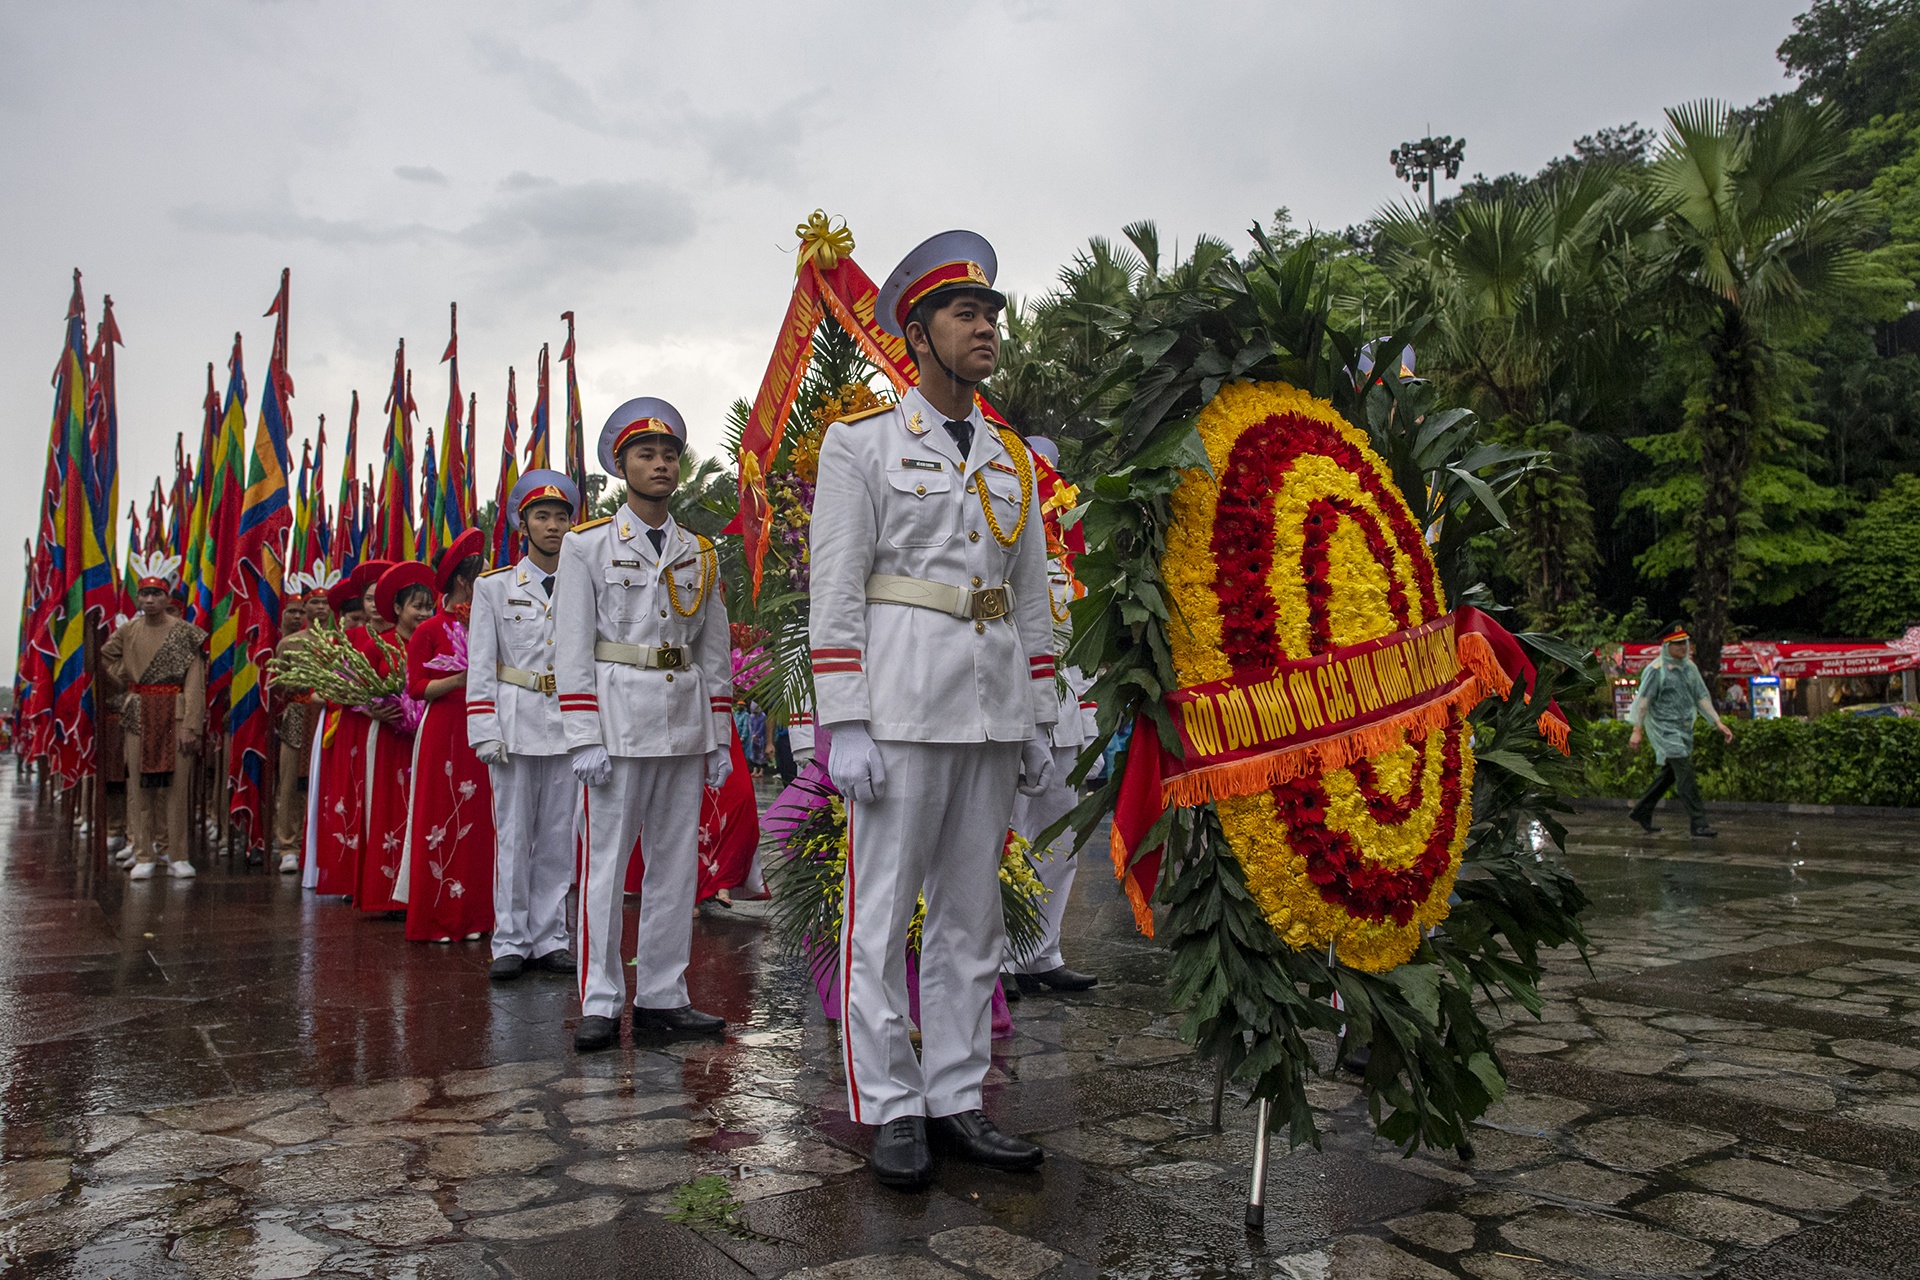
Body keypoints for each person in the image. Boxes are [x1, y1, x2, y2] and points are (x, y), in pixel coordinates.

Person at [810, 229, 1057, 1190]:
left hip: (991, 708)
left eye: (992, 312)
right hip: (902, 706)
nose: (987, 326)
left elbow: (1029, 592)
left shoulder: (1009, 458)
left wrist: (1038, 713)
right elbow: (836, 586)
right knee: (881, 915)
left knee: (971, 914)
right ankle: (890, 1103)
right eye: (967, 314)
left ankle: (955, 1093)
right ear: (918, 334)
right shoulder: (861, 445)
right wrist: (845, 719)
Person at [556, 398, 734, 1052]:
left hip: (682, 722)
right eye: (645, 455)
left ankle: (663, 994)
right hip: (616, 718)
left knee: (674, 868)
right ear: (621, 466)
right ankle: (601, 999)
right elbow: (571, 645)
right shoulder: (587, 545)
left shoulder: (701, 551)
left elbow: (713, 650)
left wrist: (718, 732)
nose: (660, 464)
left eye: (668, 455)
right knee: (605, 868)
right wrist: (582, 734)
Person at [468, 470, 581, 980]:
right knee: (513, 836)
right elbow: (481, 663)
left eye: (561, 517)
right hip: (514, 722)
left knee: (560, 835)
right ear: (523, 524)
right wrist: (484, 727)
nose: (553, 526)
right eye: (543, 516)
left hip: (568, 722)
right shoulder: (493, 588)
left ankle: (550, 936)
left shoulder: (585, 584)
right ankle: (510, 940)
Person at [1003, 436, 1098, 999]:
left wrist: (1085, 713)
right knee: (1007, 832)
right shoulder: (1002, 536)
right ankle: (998, 957)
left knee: (1062, 835)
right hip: (1015, 708)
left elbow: (1077, 639)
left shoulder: (1071, 557)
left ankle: (1041, 951)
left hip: (1064, 714)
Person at [398, 528, 497, 944]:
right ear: (462, 580)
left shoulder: (492, 624)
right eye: (482, 571)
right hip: (443, 728)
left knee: (480, 820)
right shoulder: (430, 631)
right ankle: (436, 917)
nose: (491, 576)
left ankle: (476, 915)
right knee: (439, 817)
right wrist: (460, 677)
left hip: (484, 726)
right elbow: (416, 687)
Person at [101, 554, 206, 880]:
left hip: (174, 714)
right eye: (144, 594)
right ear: (137, 598)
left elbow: (195, 682)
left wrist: (191, 724)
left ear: (167, 597)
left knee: (176, 789)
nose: (149, 600)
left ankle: (177, 854)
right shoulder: (128, 631)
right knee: (140, 789)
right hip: (138, 714)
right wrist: (128, 680)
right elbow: (104, 660)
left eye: (156, 594)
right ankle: (144, 852)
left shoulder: (187, 633)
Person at [311, 560, 391, 897]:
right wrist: (359, 698)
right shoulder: (348, 639)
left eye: (379, 598)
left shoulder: (403, 635)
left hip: (391, 725)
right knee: (355, 796)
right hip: (353, 725)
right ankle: (352, 876)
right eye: (368, 599)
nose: (373, 605)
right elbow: (322, 689)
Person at [356, 561, 431, 913]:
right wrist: (373, 710)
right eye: (416, 605)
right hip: (388, 740)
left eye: (428, 606)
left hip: (425, 738)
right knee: (388, 807)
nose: (423, 612)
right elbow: (350, 689)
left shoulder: (434, 642)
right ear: (398, 609)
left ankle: (421, 889)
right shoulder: (378, 645)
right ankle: (386, 895)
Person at [1628, 627, 1734, 838]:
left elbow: (1701, 697)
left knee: (1669, 774)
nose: (1683, 647)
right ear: (1667, 646)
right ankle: (1699, 822)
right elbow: (1643, 702)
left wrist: (1717, 722)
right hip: (1664, 729)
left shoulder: (1689, 668)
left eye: (1685, 643)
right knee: (1685, 774)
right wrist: (1636, 729)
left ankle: (1642, 810)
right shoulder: (1656, 670)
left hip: (1684, 727)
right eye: (1677, 644)